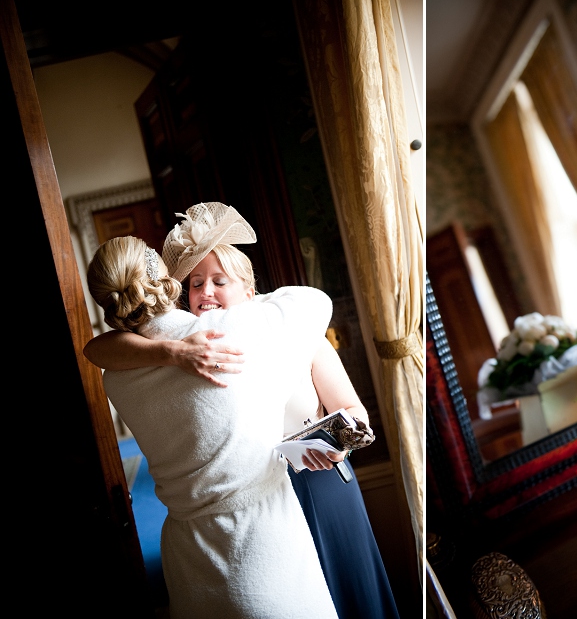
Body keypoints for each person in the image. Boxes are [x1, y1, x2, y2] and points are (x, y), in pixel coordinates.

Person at [85, 202, 400, 619]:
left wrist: (338, 444)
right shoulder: (208, 341)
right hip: (264, 519)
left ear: (251, 291)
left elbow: (351, 410)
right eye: (195, 283)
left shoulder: (283, 334)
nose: (205, 293)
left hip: (317, 486)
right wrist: (176, 350)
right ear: (174, 289)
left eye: (219, 280)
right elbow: (310, 302)